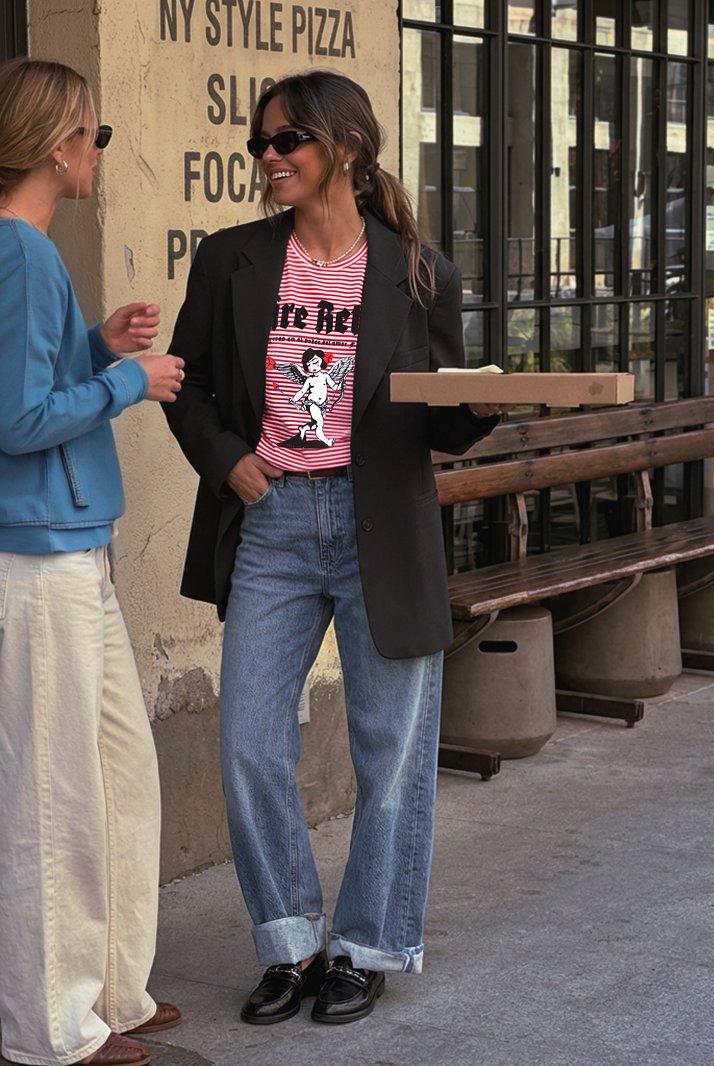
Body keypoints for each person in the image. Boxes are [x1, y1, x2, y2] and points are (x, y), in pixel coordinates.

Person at [164, 68, 501, 1027]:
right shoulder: (230, 260)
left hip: (379, 526)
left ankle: (365, 945)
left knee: (389, 747)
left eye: (286, 143)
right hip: (271, 524)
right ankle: (291, 943)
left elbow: (435, 422)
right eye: (259, 146)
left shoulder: (420, 271)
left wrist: (472, 411)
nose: (267, 159)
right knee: (248, 744)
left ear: (343, 150)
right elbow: (187, 388)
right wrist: (227, 460)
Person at [0, 58, 184, 1066]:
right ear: (58, 143)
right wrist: (125, 379)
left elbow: (27, 376)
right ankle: (50, 1027)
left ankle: (113, 984)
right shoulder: (18, 251)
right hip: (37, 559)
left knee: (118, 772)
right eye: (96, 135)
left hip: (73, 548)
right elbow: (16, 419)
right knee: (53, 796)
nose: (100, 153)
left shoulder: (30, 255)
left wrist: (90, 347)